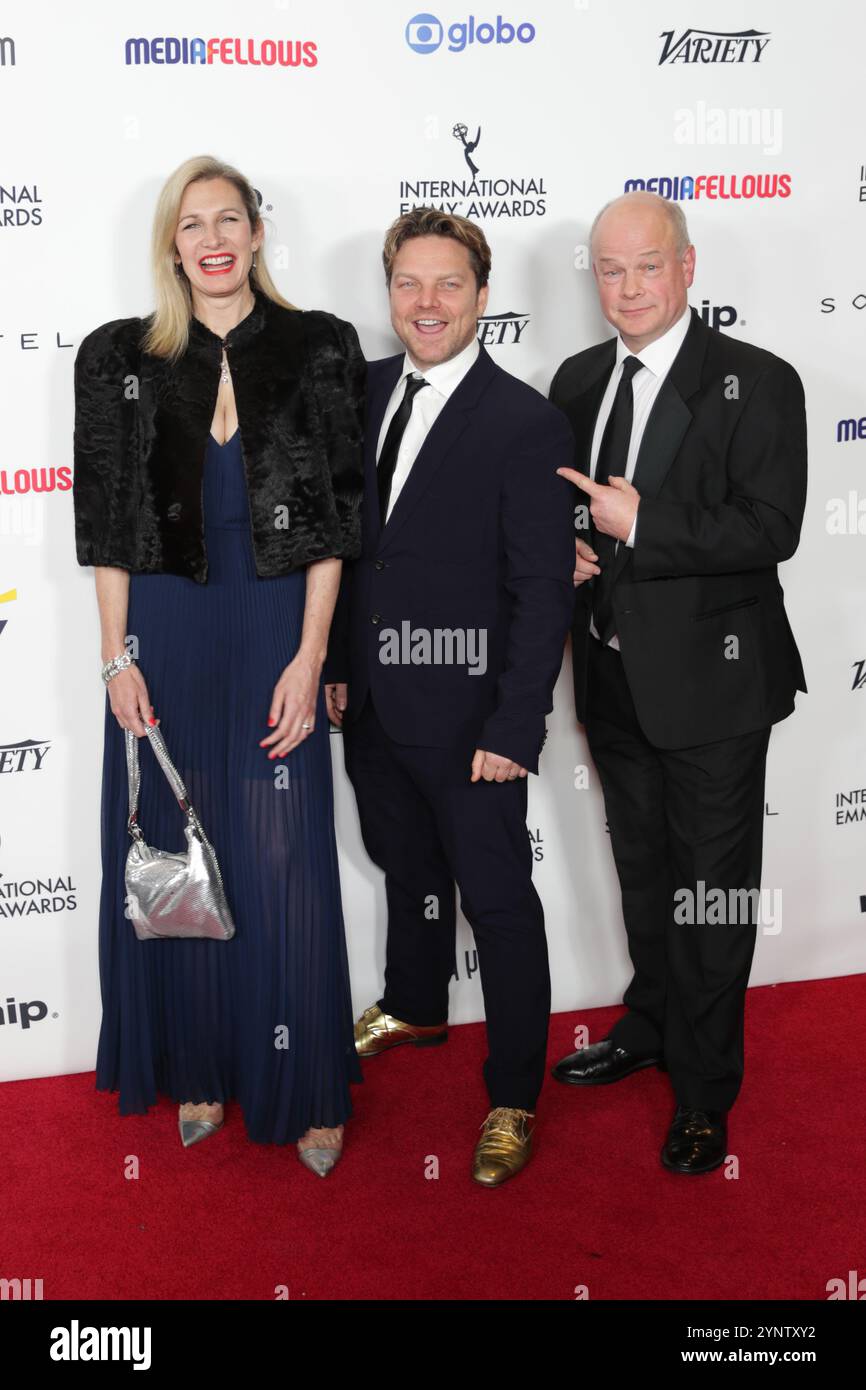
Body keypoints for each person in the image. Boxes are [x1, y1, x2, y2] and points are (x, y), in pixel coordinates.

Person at [72, 154, 365, 1177]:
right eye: (192, 223)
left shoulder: (319, 346)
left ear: (254, 230)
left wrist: (310, 653)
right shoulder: (118, 355)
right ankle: (199, 1065)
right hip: (167, 626)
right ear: (171, 243)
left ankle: (306, 1082)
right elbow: (108, 526)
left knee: (283, 855)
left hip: (277, 618)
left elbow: (333, 521)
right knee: (181, 849)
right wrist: (117, 660)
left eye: (228, 217)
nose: (212, 238)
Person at [549, 190, 807, 1173]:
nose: (625, 287)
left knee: (711, 894)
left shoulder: (755, 380)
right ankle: (650, 1022)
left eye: (645, 265)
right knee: (646, 872)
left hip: (714, 690)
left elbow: (766, 528)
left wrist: (636, 527)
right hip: (611, 677)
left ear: (686, 268)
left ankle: (703, 1089)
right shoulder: (575, 379)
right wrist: (571, 548)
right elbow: (569, 511)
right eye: (607, 269)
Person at [323, 208, 575, 1187]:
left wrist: (516, 723)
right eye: (407, 284)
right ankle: (415, 1002)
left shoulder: (524, 419)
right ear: (388, 292)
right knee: (404, 866)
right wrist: (342, 661)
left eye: (447, 285)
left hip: (474, 717)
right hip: (377, 701)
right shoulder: (363, 390)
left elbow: (540, 586)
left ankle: (512, 1092)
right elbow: (354, 550)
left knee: (500, 904)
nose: (424, 304)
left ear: (481, 295)